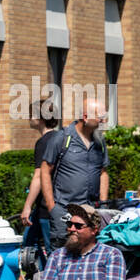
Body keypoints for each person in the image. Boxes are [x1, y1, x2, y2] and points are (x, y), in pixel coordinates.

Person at [40, 98, 110, 248]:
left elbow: (103, 172)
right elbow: (45, 170)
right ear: (85, 117)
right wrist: (52, 206)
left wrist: (103, 205)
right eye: (101, 117)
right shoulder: (62, 138)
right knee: (60, 255)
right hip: (64, 210)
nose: (105, 120)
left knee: (88, 255)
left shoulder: (99, 141)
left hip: (91, 211)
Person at [19, 95, 61, 253]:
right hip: (55, 202)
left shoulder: (44, 142)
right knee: (30, 242)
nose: (28, 118)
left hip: (46, 205)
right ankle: (38, 276)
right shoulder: (60, 138)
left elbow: (39, 176)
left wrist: (27, 206)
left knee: (51, 250)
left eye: (31, 114)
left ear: (40, 117)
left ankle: (47, 276)